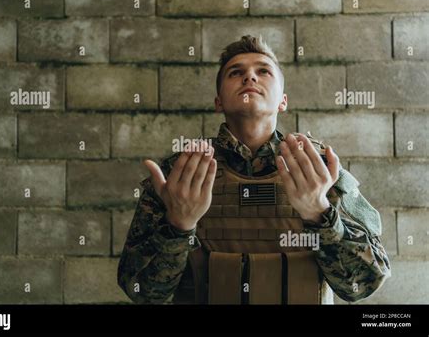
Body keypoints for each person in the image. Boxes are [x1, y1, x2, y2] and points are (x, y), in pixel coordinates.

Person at [117, 35, 391, 304]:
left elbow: (364, 284)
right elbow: (140, 291)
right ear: (218, 102)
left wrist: (319, 214)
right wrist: (178, 227)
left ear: (283, 101)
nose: (250, 78)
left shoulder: (318, 169)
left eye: (263, 71)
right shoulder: (181, 173)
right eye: (236, 72)